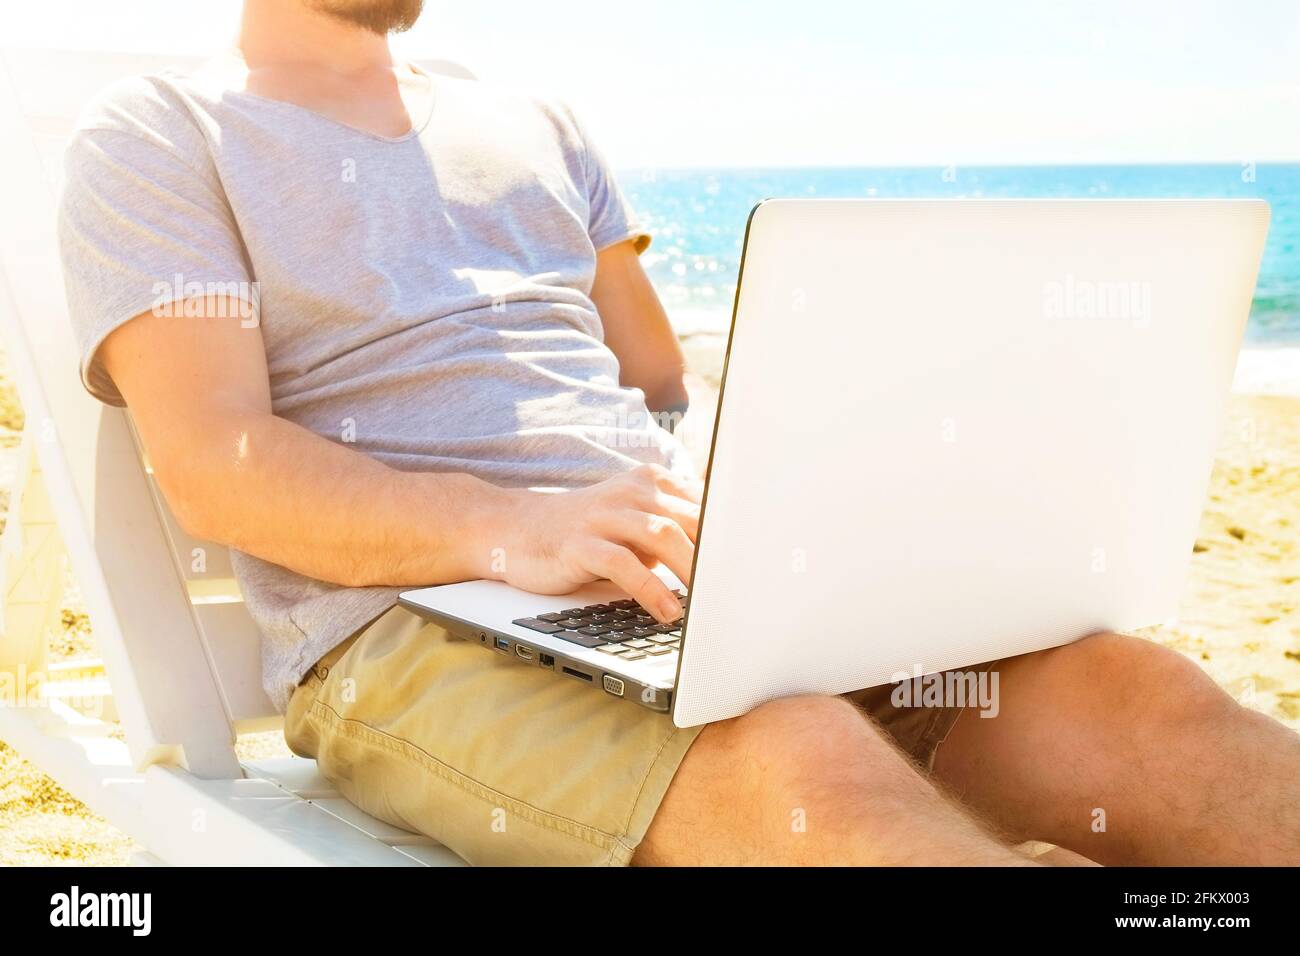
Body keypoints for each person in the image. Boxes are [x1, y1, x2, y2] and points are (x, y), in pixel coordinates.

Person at [57, 0, 1300, 865]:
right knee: (796, 752)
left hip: (676, 577)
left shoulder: (535, 120)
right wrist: (513, 527)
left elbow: (659, 377)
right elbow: (214, 464)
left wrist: (839, 469)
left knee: (1134, 696)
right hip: (411, 618)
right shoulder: (160, 134)